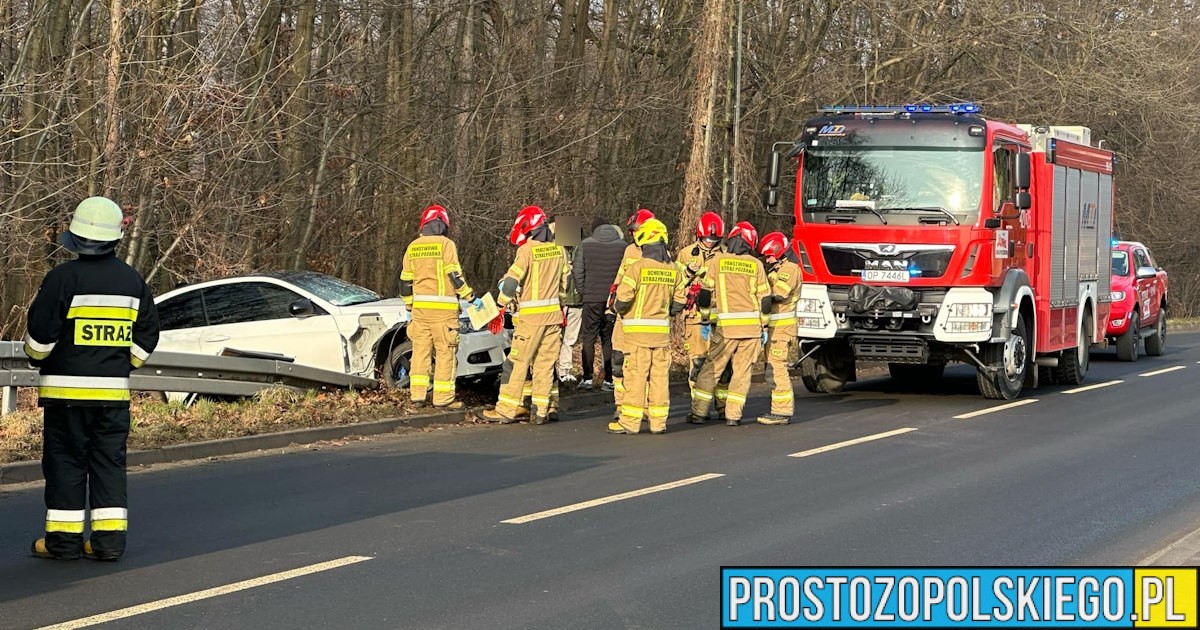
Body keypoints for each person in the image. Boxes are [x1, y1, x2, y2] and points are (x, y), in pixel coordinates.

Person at [25, 196, 160, 561]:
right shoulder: (133, 282)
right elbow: (148, 335)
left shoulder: (61, 279)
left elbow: (39, 339)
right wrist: (122, 364)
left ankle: (63, 544)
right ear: (116, 236)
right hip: (113, 397)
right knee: (108, 465)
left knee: (66, 465)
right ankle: (108, 544)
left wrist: (40, 357)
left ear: (77, 236)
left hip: (65, 397)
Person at [483, 205, 568, 424]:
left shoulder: (527, 250)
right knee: (544, 365)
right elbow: (566, 286)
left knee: (516, 363)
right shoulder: (559, 249)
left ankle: (506, 410)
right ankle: (541, 411)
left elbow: (511, 283)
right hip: (553, 318)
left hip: (531, 320)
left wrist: (500, 305)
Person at [686, 221, 771, 427]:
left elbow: (705, 295)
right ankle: (733, 415)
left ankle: (698, 412)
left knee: (711, 369)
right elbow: (765, 300)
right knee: (742, 373)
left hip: (725, 328)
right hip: (751, 329)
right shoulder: (756, 265)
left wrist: (706, 318)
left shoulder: (718, 262)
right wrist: (765, 326)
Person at [608, 219, 688, 435]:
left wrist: (621, 311)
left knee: (635, 378)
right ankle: (658, 423)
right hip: (661, 337)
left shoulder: (637, 268)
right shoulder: (674, 269)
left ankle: (630, 423)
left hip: (637, 337)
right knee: (659, 379)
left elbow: (623, 300)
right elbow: (680, 302)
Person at [399, 204, 479, 410]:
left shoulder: (413, 247)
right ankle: (442, 399)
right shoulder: (446, 245)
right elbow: (454, 275)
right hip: (444, 313)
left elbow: (405, 281)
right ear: (443, 225)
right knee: (445, 353)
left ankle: (417, 397)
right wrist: (470, 297)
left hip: (420, 311)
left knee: (420, 353)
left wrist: (409, 307)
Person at [677, 211, 728, 417]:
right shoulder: (686, 254)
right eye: (707, 238)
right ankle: (699, 409)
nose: (710, 243)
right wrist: (689, 273)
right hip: (695, 318)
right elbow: (676, 284)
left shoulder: (725, 256)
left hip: (719, 318)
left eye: (714, 239)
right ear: (699, 235)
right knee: (697, 365)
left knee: (722, 366)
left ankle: (723, 407)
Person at [609, 208, 655, 421]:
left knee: (641, 364)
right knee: (618, 359)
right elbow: (621, 275)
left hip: (645, 319)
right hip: (624, 316)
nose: (633, 235)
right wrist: (613, 294)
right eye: (632, 231)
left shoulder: (658, 254)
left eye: (637, 231)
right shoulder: (629, 251)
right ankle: (621, 402)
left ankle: (642, 406)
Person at [756, 232, 803, 426]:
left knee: (777, 368)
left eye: (769, 256)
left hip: (781, 331)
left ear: (779, 251)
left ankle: (782, 411)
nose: (767, 260)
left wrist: (756, 292)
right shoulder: (776, 269)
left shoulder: (790, 269)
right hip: (774, 330)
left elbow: (779, 294)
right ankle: (778, 409)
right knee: (771, 369)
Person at [573, 217, 625, 390]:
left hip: (591, 299)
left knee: (588, 338)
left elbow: (578, 272)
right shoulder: (623, 247)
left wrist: (584, 292)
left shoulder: (585, 245)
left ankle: (587, 378)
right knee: (608, 340)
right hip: (612, 300)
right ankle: (609, 379)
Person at [551, 216, 584, 385]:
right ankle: (552, 371)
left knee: (570, 339)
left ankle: (565, 370)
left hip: (577, 301)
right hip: (559, 302)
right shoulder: (555, 251)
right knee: (554, 338)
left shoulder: (581, 249)